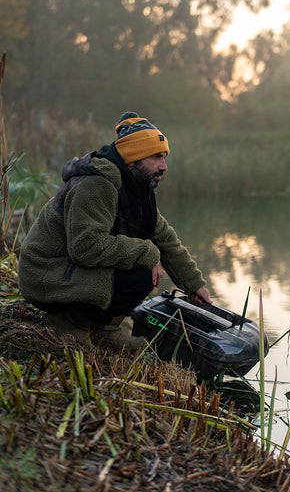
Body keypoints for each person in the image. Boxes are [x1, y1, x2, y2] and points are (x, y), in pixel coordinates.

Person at [18, 111, 211, 349]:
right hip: (46, 272)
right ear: (133, 159)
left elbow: (165, 239)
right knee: (142, 267)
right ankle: (66, 323)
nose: (164, 166)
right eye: (157, 157)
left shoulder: (137, 189)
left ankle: (105, 328)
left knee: (143, 267)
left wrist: (194, 284)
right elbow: (85, 247)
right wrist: (145, 250)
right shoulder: (98, 185)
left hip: (69, 268)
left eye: (165, 157)